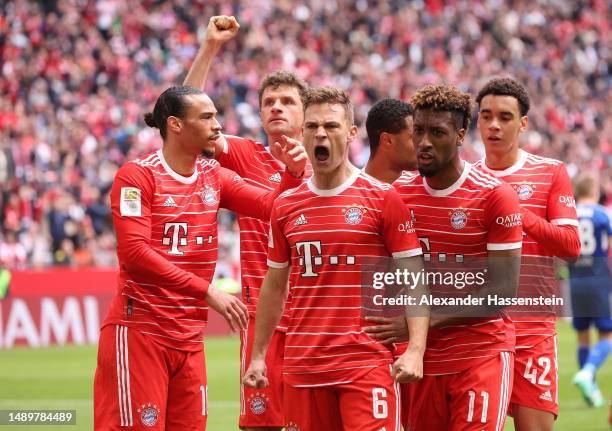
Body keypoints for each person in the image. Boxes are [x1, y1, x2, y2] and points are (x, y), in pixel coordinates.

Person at [93, 86, 306, 430]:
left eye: (216, 116)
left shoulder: (214, 176)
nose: (217, 125)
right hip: (141, 331)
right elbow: (134, 253)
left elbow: (271, 207)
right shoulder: (137, 176)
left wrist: (291, 175)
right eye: (207, 117)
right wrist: (206, 292)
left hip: (190, 338)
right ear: (175, 125)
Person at [242, 87, 429, 430]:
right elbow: (274, 284)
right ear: (302, 134)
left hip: (365, 362)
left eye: (331, 126)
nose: (321, 134)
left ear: (351, 133)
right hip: (303, 367)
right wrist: (258, 355)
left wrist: (415, 348)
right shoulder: (285, 206)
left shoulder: (382, 198)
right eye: (312, 127)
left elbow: (413, 276)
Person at [182, 16, 311, 430]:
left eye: (288, 101)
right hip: (263, 316)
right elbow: (188, 118)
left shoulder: (329, 167)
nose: (276, 106)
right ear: (258, 111)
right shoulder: (244, 155)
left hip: (317, 315)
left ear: (306, 115)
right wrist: (210, 48)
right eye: (269, 101)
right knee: (262, 425)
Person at [383, 83, 523, 430]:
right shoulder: (397, 195)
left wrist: (419, 322)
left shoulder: (495, 196)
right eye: (418, 131)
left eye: (437, 132)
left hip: (480, 355)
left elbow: (501, 292)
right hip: (421, 362)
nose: (425, 142)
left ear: (460, 135)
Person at [473, 77, 580, 431]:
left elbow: (570, 247)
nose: (493, 125)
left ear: (523, 123)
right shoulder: (467, 180)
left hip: (532, 332)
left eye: (504, 117)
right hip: (479, 331)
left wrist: (522, 215)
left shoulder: (550, 172)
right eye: (486, 115)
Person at [569, 173, 611, 408]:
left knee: (582, 336)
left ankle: (591, 389)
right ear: (594, 191)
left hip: (576, 282)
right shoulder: (602, 214)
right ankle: (588, 373)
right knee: (607, 336)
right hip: (598, 281)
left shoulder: (570, 214)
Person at [363, 98, 417, 183]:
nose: (421, 144)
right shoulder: (350, 190)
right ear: (387, 140)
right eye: (413, 137)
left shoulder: (424, 187)